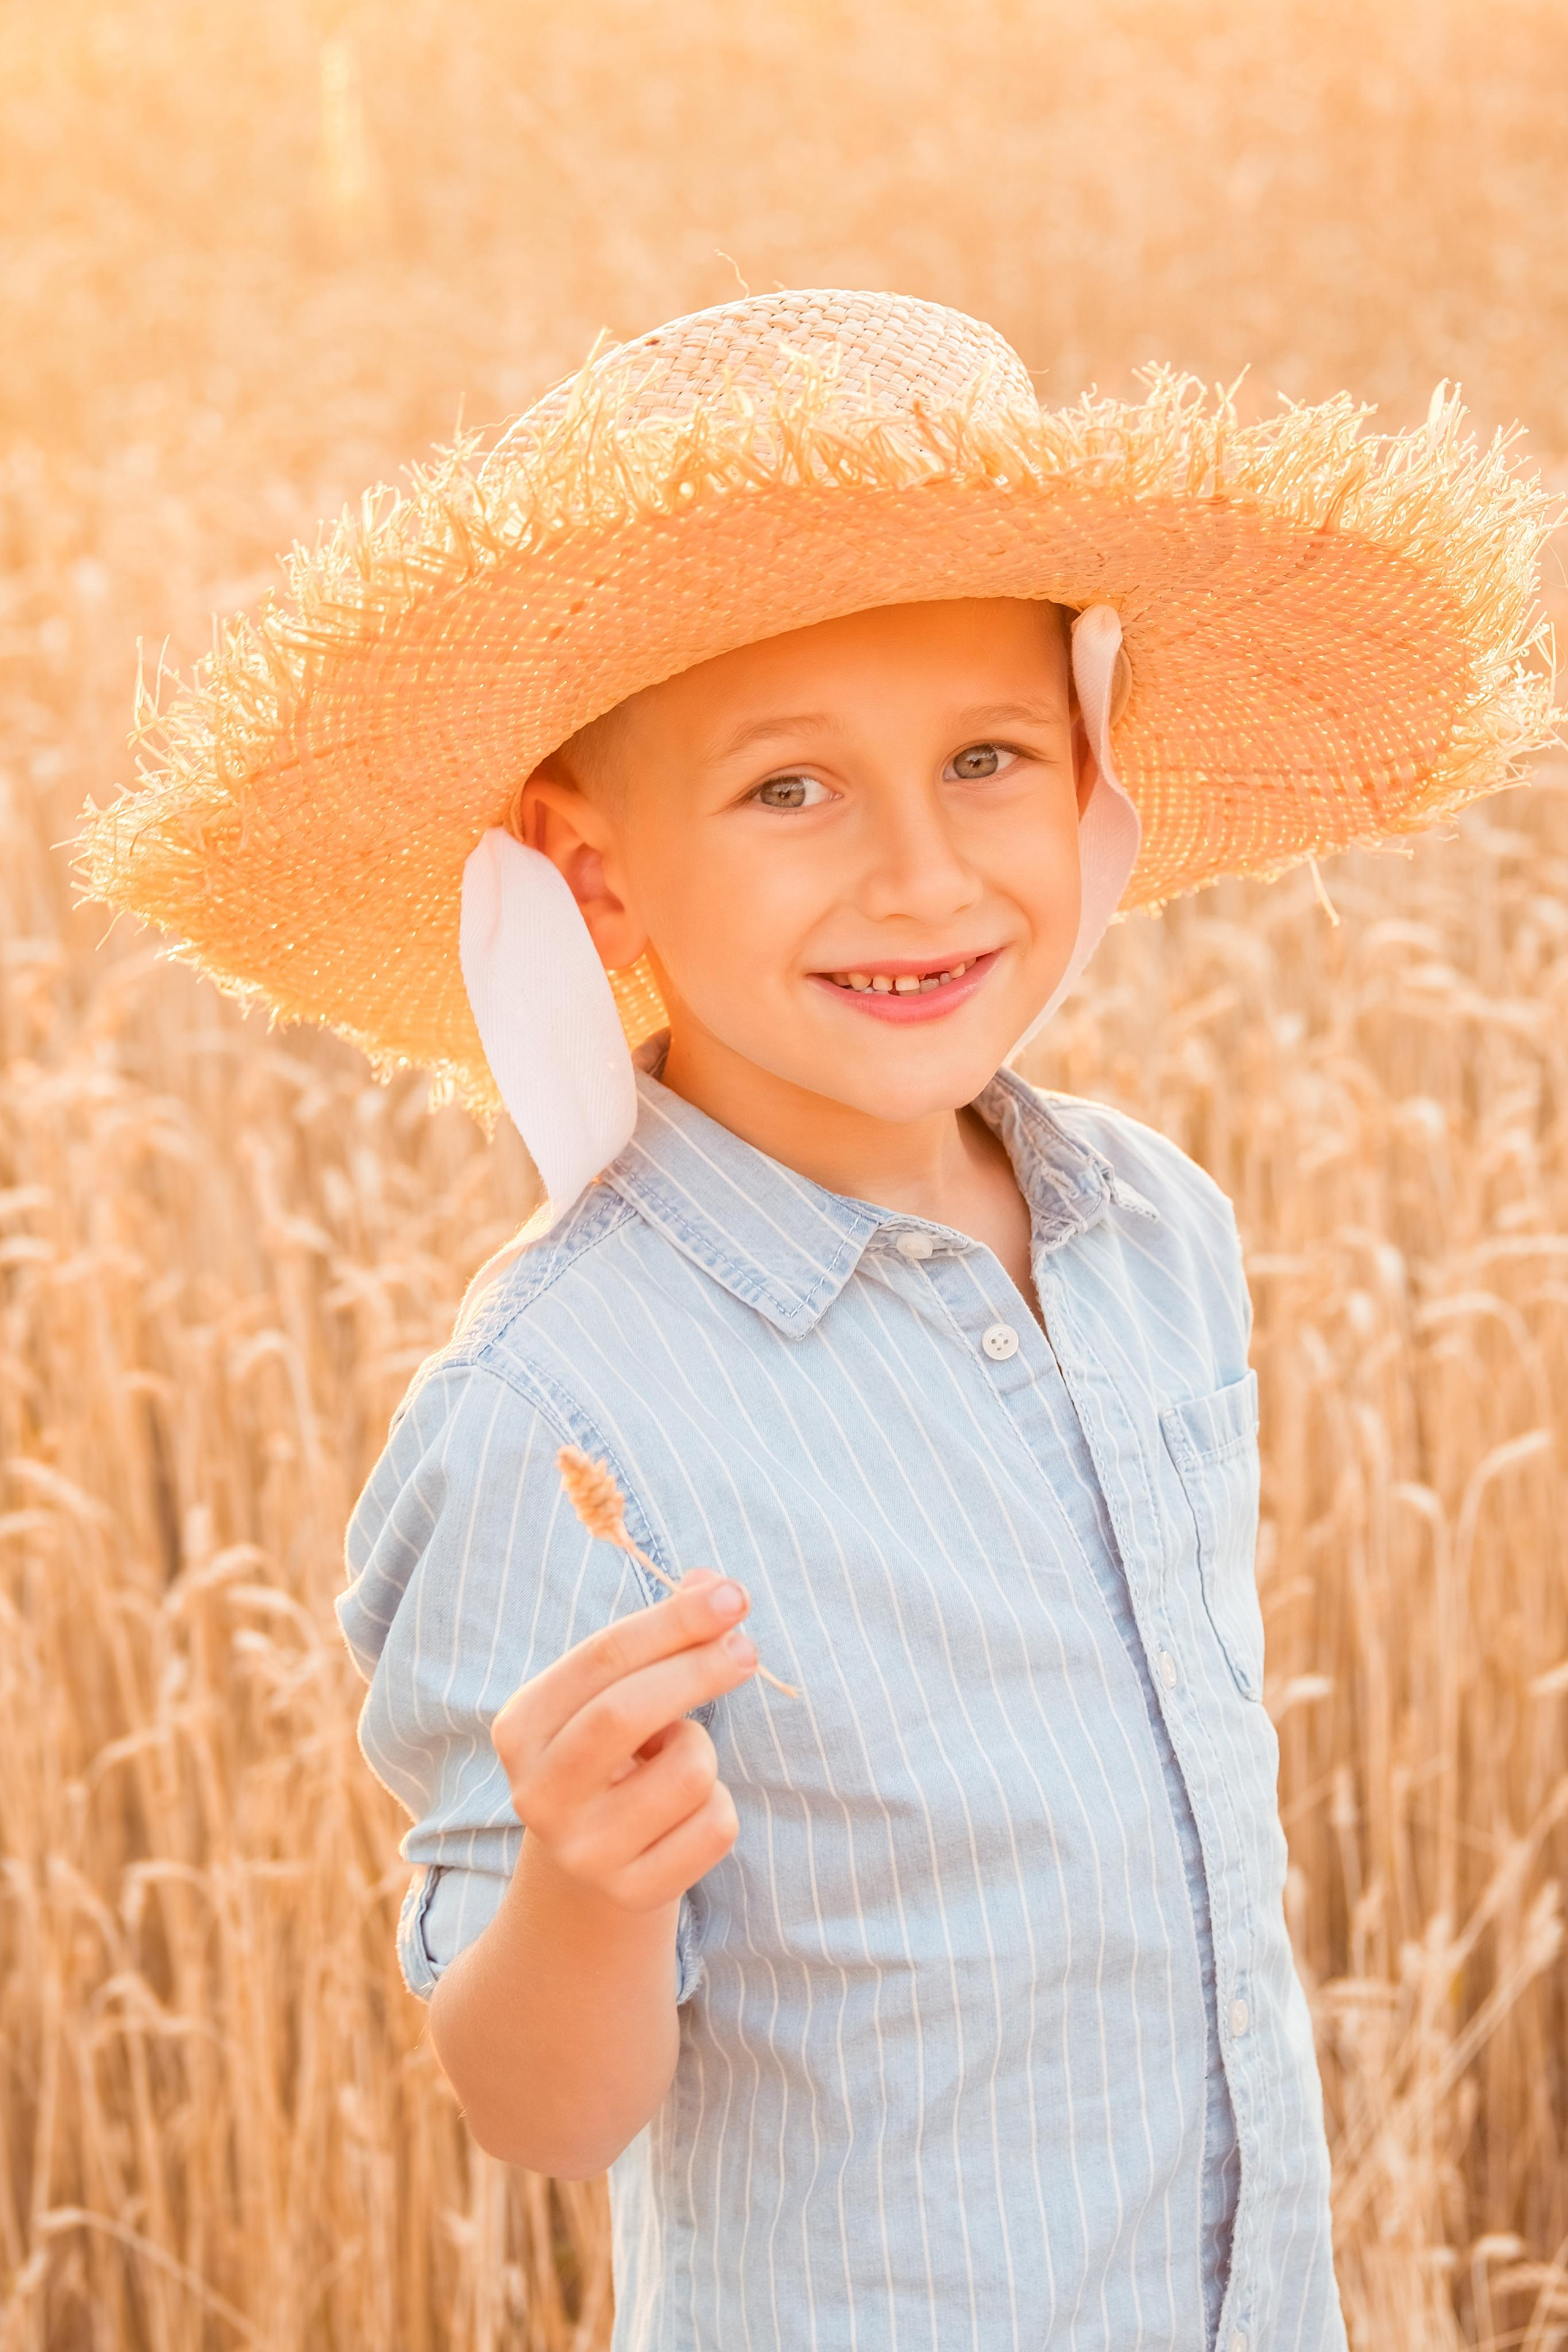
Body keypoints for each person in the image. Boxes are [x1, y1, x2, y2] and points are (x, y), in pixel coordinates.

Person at [81, 290, 1552, 2352]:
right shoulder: (565, 1412)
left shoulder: (1149, 1234)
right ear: (596, 881)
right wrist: (591, 1889)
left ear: (1091, 777)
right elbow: (540, 2111)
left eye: (987, 759)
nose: (922, 872)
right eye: (792, 791)